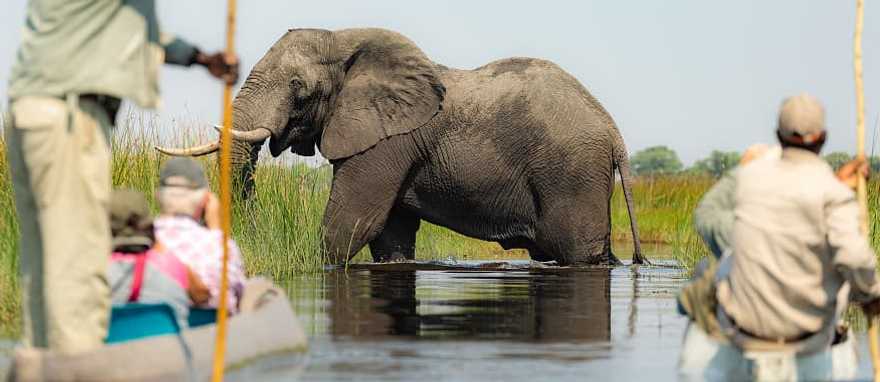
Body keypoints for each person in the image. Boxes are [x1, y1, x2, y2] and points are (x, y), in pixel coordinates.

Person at [5, 1, 238, 353]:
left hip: (30, 111)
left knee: (42, 269)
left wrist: (198, 58)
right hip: (72, 118)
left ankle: (39, 364)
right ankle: (78, 372)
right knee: (80, 264)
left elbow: (137, 32)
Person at [678, 94, 880, 380]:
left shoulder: (749, 178)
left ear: (777, 136)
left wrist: (760, 159)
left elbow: (708, 213)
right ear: (823, 139)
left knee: (705, 276)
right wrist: (871, 296)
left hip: (745, 337)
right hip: (807, 343)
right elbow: (853, 257)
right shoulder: (835, 195)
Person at [154, 158, 246, 314]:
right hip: (208, 333)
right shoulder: (220, 246)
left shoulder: (142, 241)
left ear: (158, 196)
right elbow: (228, 302)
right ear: (206, 200)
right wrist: (217, 232)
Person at [107, 189, 210, 328]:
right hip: (168, 347)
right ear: (148, 225)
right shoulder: (172, 265)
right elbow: (203, 295)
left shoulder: (95, 276)